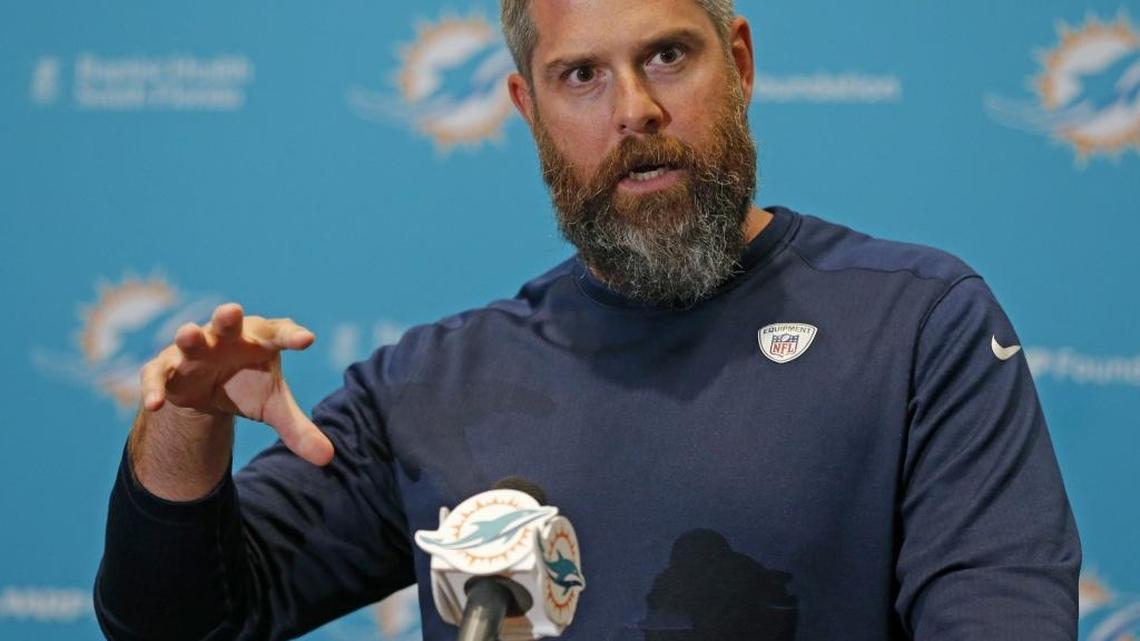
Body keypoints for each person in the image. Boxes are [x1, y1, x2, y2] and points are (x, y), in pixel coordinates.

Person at [94, 1, 1081, 640]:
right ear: (526, 108)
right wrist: (186, 424)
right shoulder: (439, 383)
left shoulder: (916, 324)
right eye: (582, 76)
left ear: (738, 62)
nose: (636, 109)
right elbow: (172, 620)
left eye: (668, 56)